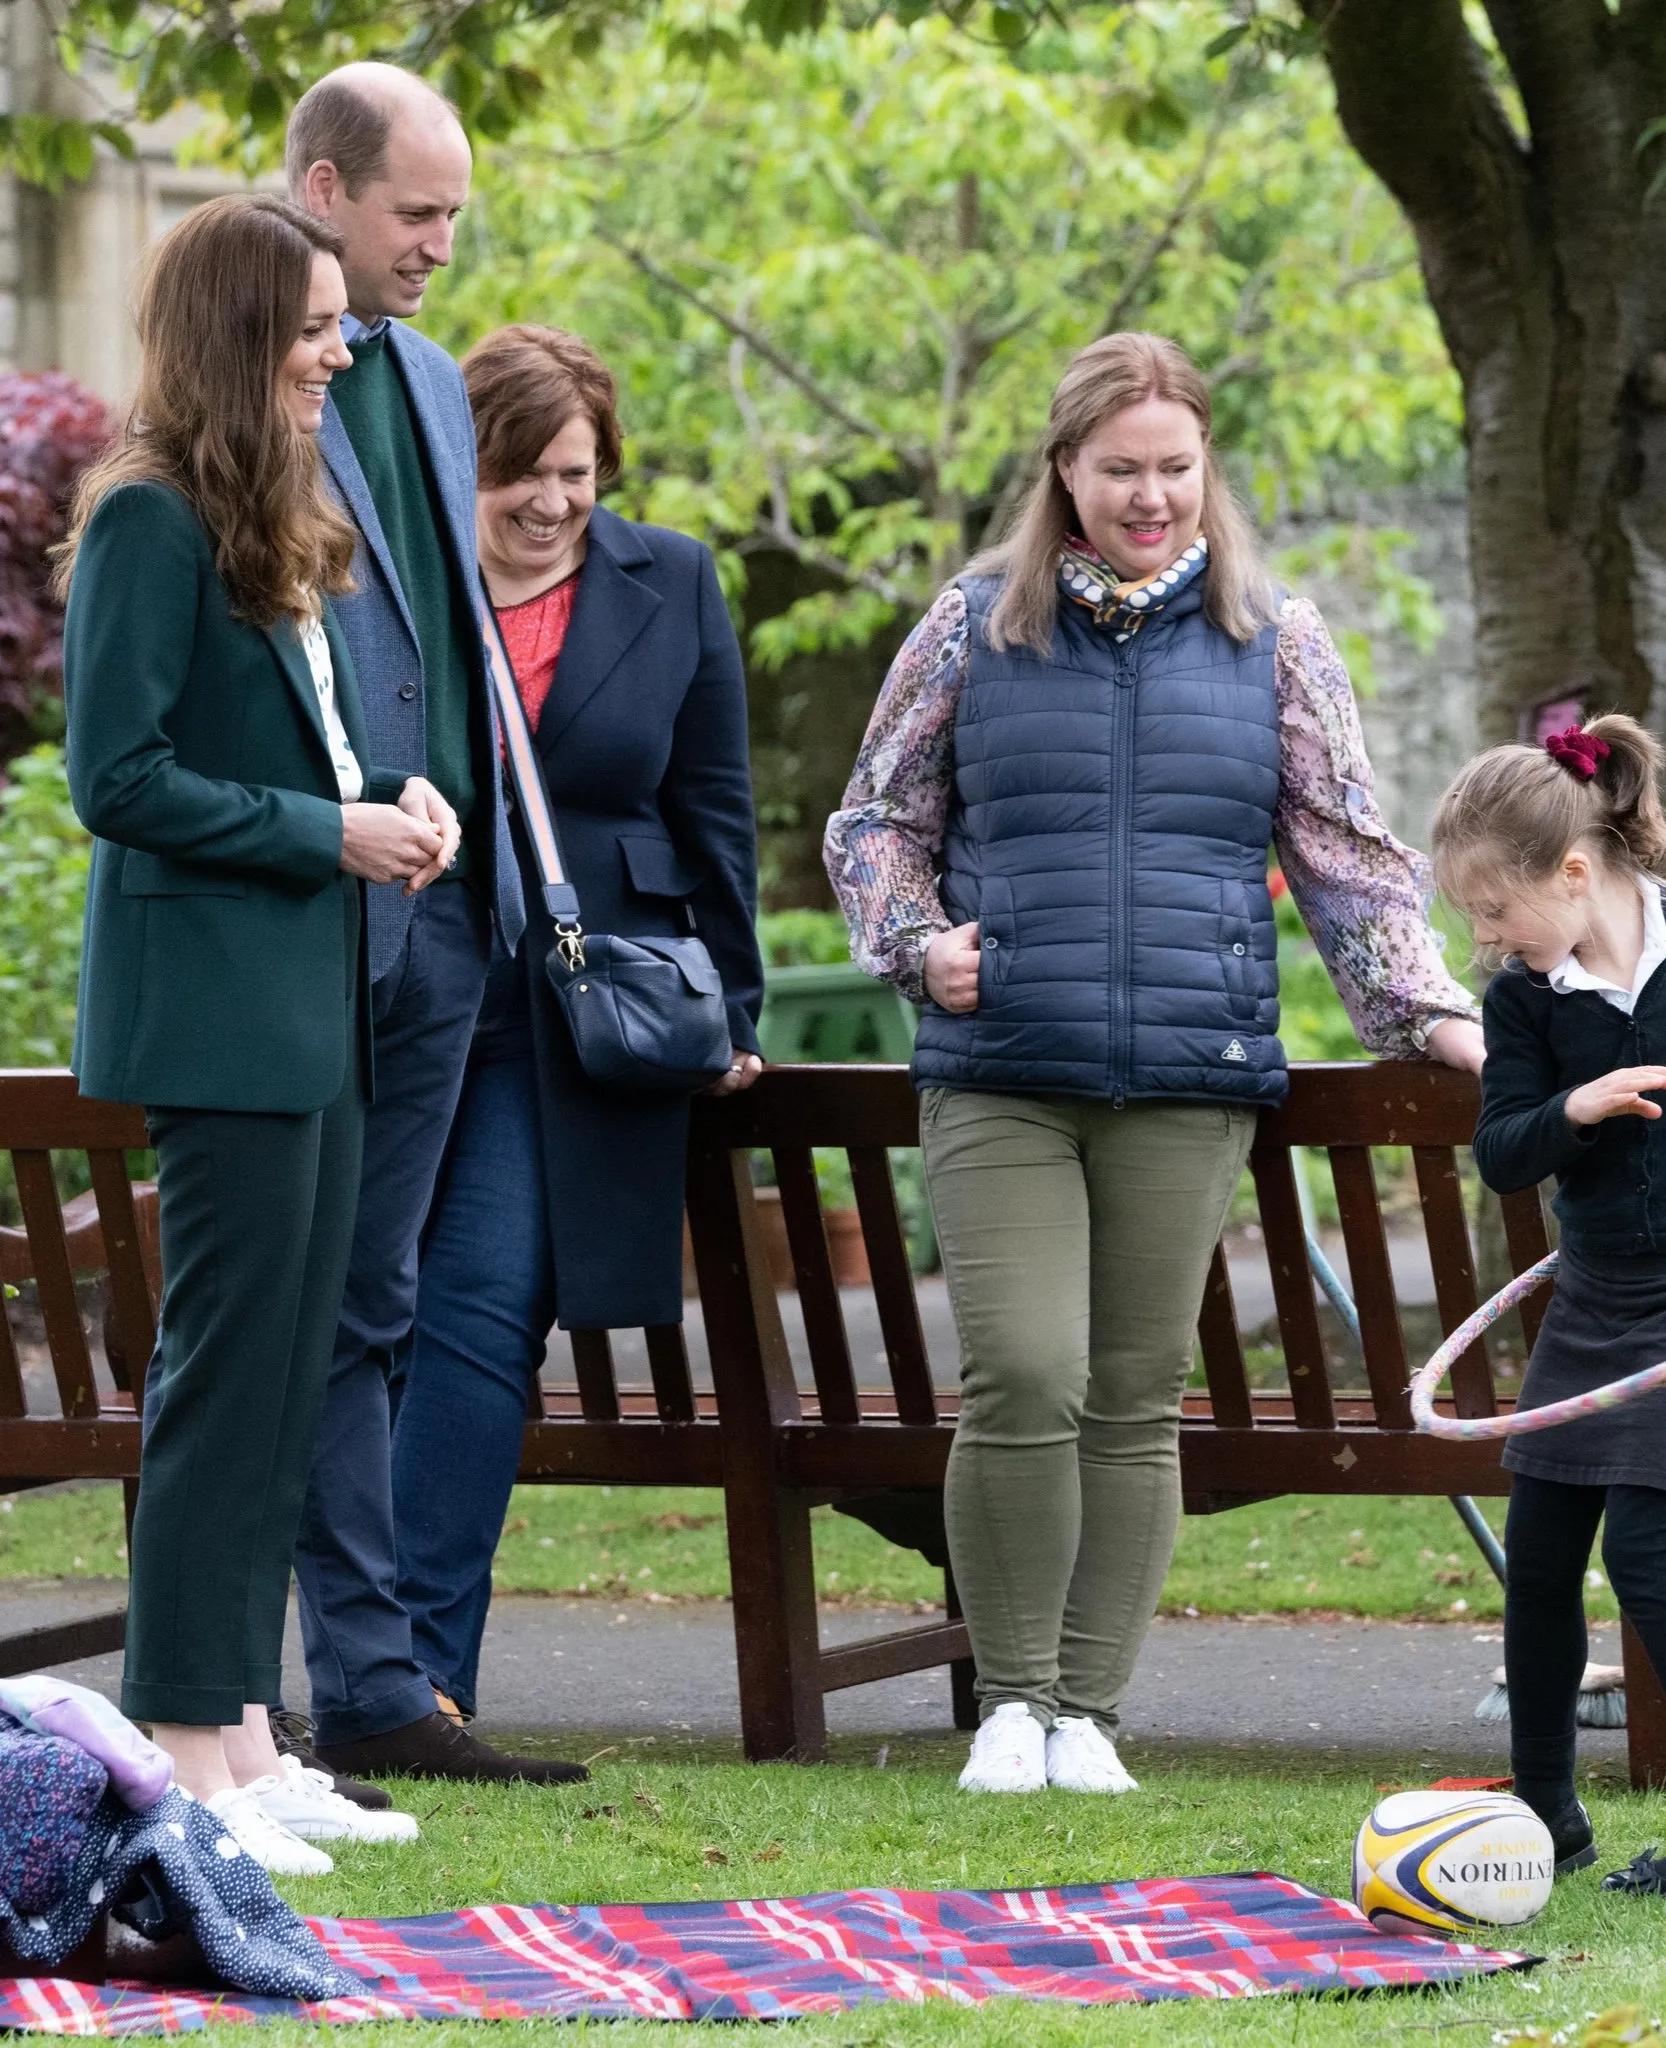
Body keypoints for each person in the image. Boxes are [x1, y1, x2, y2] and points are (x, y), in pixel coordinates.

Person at [825, 330, 1485, 1797]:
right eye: (1118, 470)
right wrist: (916, 941)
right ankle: (1009, 1702)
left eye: (1173, 470)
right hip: (1000, 1067)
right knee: (1024, 1371)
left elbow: (1353, 869)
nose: (1148, 498)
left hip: (1189, 1080)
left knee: (1129, 1394)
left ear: (1206, 471)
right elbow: (870, 825)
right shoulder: (966, 627)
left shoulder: (1278, 643)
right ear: (1062, 472)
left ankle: (1088, 1715)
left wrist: (1438, 1018)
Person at [55, 195, 442, 1870]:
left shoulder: (266, 506)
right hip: (219, 1015)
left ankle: (244, 1732)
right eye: (310, 327)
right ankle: (175, 1743)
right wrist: (325, 832)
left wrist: (384, 803)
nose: (340, 349)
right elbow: (115, 780)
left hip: (311, 999)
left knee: (292, 1378)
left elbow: (298, 751)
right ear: (235, 334)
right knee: (222, 1381)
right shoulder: (146, 516)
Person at [356, 323, 764, 1729]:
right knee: (378, 1316)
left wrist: (733, 1007)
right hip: (405, 984)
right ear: (457, 466)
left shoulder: (673, 580)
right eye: (517, 474)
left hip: (578, 1013)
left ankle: (416, 1680)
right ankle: (373, 1669)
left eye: (577, 472)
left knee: (475, 1311)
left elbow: (713, 804)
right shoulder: (388, 572)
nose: (549, 502)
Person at [282, 66, 577, 1787]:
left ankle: (381, 1686)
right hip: (318, 917)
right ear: (324, 189)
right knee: (313, 1307)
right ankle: (260, 1696)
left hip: (454, 919)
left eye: (456, 212)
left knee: (379, 1300)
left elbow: (452, 639)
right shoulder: (246, 386)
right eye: (418, 213)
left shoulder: (428, 386)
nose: (444, 246)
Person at [1433, 715, 1666, 1885]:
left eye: (1491, 911)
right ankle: (1541, 1816)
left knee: (1647, 1549)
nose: (1482, 939)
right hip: (1592, 1298)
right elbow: (1504, 1151)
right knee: (1536, 1556)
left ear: (1571, 873)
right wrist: (1583, 1103)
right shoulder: (1525, 999)